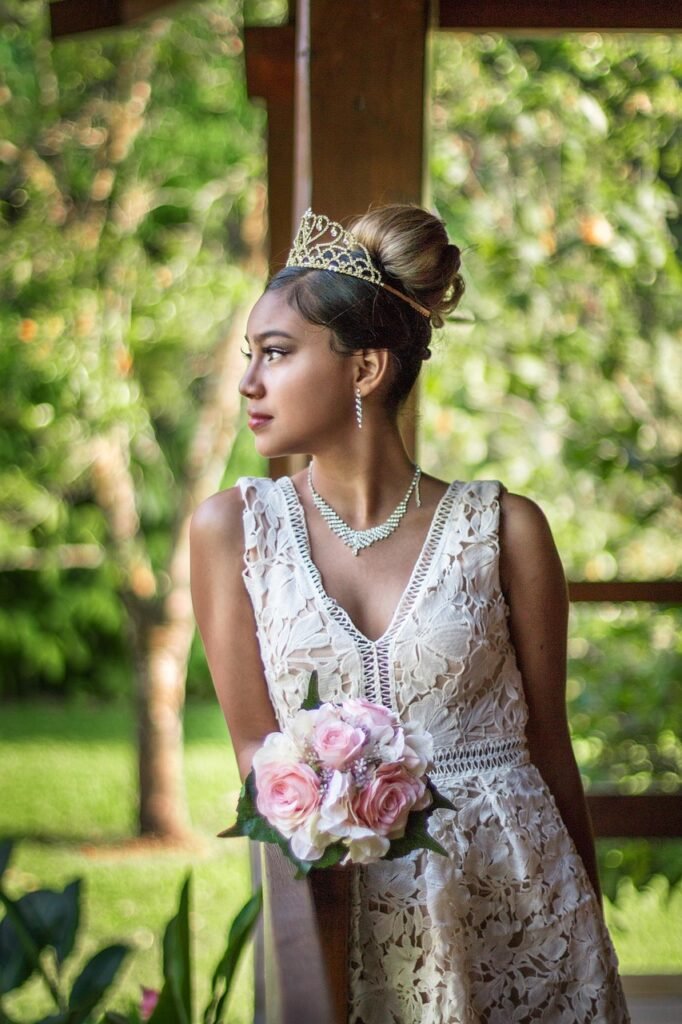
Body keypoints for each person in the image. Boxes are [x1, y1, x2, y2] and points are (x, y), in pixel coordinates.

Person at [190, 206, 630, 1023]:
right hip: (343, 909)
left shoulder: (507, 529)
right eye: (250, 356)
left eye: (276, 354)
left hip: (518, 906)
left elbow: (549, 745)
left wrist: (588, 928)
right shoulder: (234, 530)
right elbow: (253, 743)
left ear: (364, 370)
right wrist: (322, 814)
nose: (248, 382)